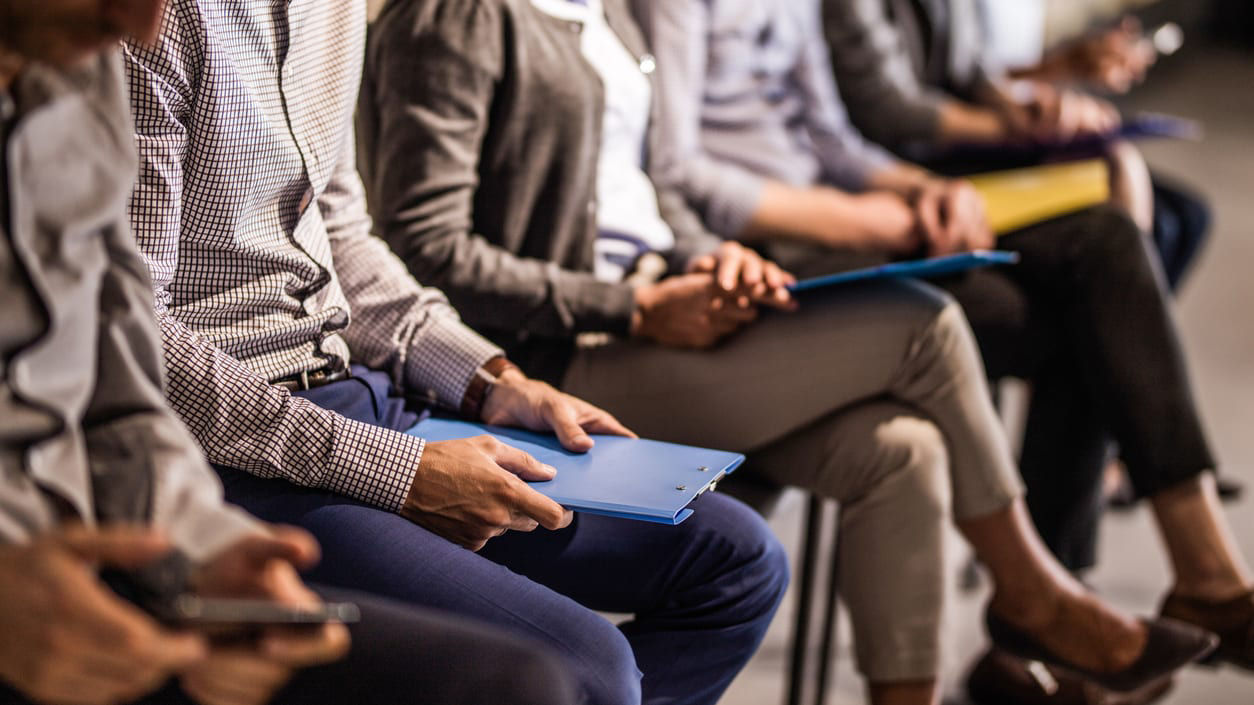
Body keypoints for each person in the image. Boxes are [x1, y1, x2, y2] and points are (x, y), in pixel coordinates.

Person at [358, 1, 1218, 704]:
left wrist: (709, 258)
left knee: (902, 450)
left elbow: (650, 189)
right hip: (570, 351)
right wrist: (637, 305)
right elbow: (427, 246)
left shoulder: (604, 11)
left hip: (663, 298)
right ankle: (1032, 588)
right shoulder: (458, 18)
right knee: (923, 322)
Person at [121, 1, 791, 703]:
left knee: (738, 562)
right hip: (232, 450)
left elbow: (343, 235)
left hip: (358, 390)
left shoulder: (337, 8)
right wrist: (397, 471)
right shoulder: (149, 21)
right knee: (591, 671)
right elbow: (137, 342)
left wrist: (489, 379)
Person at [633, 0, 1254, 694]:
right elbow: (679, 168)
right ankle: (1053, 621)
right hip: (768, 250)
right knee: (1089, 319)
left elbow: (831, 138)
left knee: (1107, 247)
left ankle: (1191, 571)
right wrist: (866, 219)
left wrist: (927, 190)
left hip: (844, 208)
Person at [0, 2, 578, 705]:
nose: (146, 26)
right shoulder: (119, 48)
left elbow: (116, 383)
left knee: (713, 562)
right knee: (548, 678)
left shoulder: (75, 74)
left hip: (153, 502)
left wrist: (208, 552)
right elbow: (152, 341)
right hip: (211, 449)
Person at [822, 0, 1210, 290]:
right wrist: (1019, 126)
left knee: (1186, 215)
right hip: (914, 152)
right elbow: (886, 106)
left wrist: (1020, 108)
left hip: (962, 133)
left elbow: (971, 65)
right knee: (1117, 221)